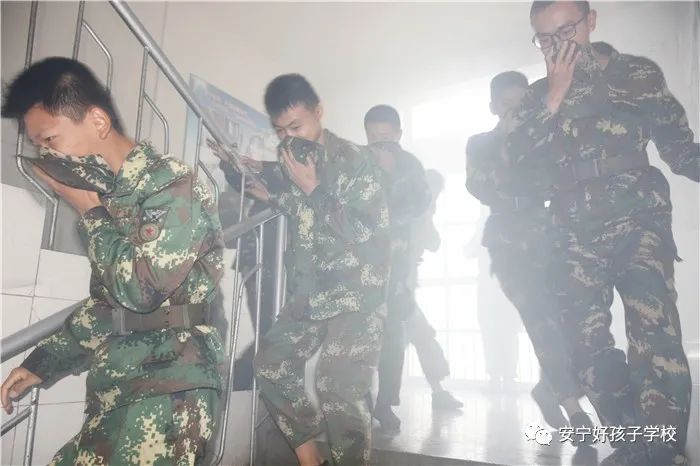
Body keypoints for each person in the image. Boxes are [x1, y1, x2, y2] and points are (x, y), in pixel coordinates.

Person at [0, 57, 225, 465]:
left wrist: (89, 212)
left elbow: (142, 290)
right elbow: (109, 308)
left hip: (170, 389)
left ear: (98, 122)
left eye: (50, 139)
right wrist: (43, 363)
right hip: (120, 389)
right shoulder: (114, 198)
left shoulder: (172, 185)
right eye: (38, 146)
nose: (46, 155)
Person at [509, 2, 699, 464]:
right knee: (584, 344)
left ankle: (663, 450)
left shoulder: (637, 75)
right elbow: (517, 169)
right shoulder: (535, 98)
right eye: (545, 39)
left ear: (590, 21)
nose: (557, 46)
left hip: (639, 221)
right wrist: (554, 95)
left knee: (653, 334)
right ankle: (634, 441)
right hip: (570, 233)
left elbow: (680, 150)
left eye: (566, 31)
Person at [249, 74, 391, 466]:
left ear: (319, 112)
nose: (288, 137)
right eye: (280, 130)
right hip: (311, 291)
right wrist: (274, 194)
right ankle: (312, 459)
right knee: (270, 366)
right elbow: (304, 212)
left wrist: (312, 188)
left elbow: (363, 231)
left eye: (296, 126)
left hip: (356, 290)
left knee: (337, 386)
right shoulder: (294, 160)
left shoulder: (357, 160)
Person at [467, 70, 592, 435]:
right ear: (492, 107)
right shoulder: (480, 143)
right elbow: (480, 188)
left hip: (552, 231)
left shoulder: (546, 136)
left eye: (522, 104)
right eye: (507, 105)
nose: (515, 111)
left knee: (571, 317)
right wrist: (506, 141)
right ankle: (573, 408)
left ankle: (548, 388)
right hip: (509, 240)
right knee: (540, 317)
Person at [364, 106, 462, 435]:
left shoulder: (410, 166)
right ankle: (362, 400)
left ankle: (386, 402)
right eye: (373, 136)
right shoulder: (357, 161)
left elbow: (417, 210)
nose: (380, 142)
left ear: (399, 134)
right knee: (362, 337)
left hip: (398, 273)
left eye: (386, 135)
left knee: (397, 335)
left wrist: (391, 174)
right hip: (360, 268)